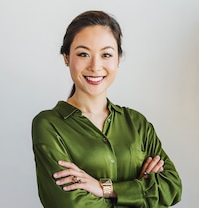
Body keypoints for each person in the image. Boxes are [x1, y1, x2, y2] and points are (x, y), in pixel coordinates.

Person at [31, 10, 182, 207]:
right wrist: (140, 191)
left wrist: (104, 188)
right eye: (83, 54)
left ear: (118, 59)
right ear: (66, 57)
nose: (95, 66)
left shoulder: (137, 123)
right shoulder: (49, 125)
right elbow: (71, 204)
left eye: (106, 54)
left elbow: (172, 186)